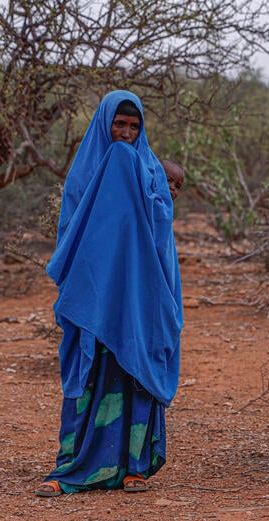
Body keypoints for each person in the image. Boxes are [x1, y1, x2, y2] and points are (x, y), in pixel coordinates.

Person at [35, 90, 183, 497]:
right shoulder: (84, 174)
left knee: (134, 368)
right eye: (120, 124)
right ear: (105, 123)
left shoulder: (152, 172)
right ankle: (72, 466)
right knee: (90, 371)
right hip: (95, 296)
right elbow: (71, 234)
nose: (126, 133)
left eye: (134, 127)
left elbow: (160, 237)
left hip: (138, 298)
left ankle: (135, 466)